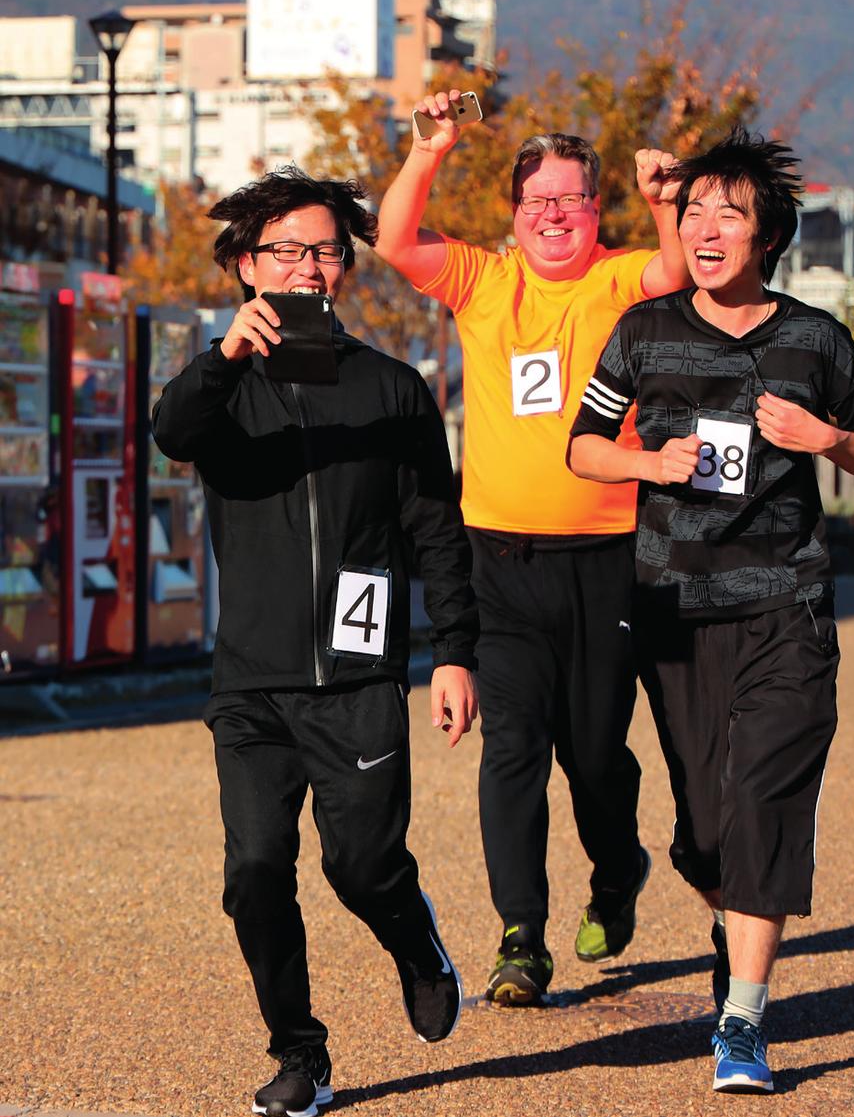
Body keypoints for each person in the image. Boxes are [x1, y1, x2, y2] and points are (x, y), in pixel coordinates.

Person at [568, 126, 854, 1093]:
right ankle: (729, 922)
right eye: (694, 210)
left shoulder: (814, 338)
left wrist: (829, 435)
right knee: (704, 836)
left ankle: (745, 1024)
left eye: (730, 213)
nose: (706, 227)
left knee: (763, 803)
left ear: (768, 237)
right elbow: (583, 447)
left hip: (786, 605)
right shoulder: (644, 331)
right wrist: (647, 461)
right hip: (672, 608)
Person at [151, 165, 479, 1117]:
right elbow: (173, 430)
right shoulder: (222, 388)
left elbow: (436, 529)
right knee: (254, 870)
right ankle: (300, 1052)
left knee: (362, 865)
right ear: (247, 264)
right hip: (250, 682)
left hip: (359, 676)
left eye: (325, 249)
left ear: (345, 267)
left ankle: (415, 940)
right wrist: (226, 355)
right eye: (285, 249)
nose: (306, 266)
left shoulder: (391, 388)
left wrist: (455, 647)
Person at [375, 90, 690, 1004]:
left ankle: (617, 863)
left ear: (599, 212)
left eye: (573, 200)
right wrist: (430, 148)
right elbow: (395, 240)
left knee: (593, 752)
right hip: (499, 560)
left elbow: (675, 270)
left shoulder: (619, 276)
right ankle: (521, 934)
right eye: (537, 201)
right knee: (511, 745)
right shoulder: (483, 279)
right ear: (515, 214)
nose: (554, 216)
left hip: (607, 559)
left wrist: (666, 197)